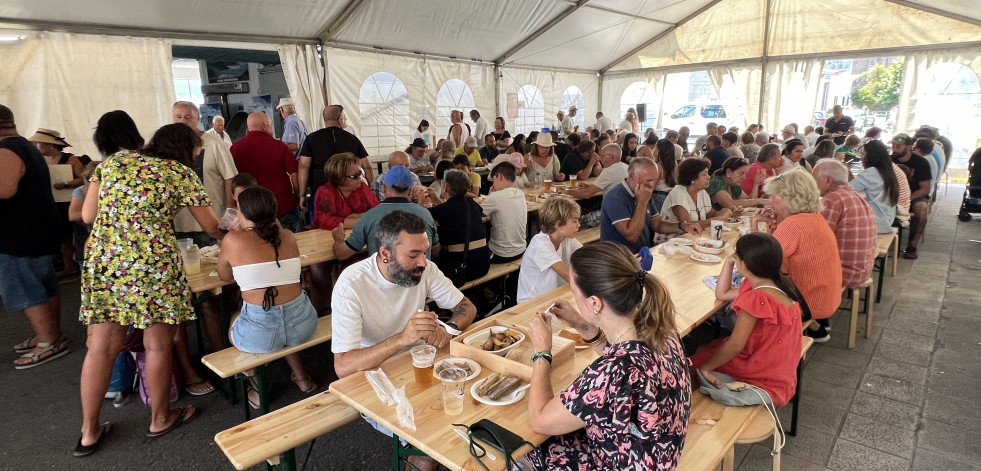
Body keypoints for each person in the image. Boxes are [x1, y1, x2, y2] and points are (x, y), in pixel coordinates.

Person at [77, 121, 223, 455]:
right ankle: (160, 418)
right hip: (154, 265)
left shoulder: (113, 162)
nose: (196, 160)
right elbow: (212, 227)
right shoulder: (180, 174)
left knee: (100, 348)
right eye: (196, 154)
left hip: (106, 261)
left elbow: (87, 214)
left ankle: (88, 431)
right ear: (187, 150)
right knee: (157, 345)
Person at [523, 241, 691, 470]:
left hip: (619, 461)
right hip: (656, 453)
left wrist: (542, 351)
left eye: (574, 292)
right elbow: (627, 369)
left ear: (595, 302)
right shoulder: (662, 329)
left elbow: (540, 419)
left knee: (527, 443)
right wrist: (584, 325)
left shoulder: (614, 370)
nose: (574, 296)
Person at [331, 210, 476, 471]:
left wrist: (449, 328)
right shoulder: (351, 284)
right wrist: (402, 339)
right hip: (374, 379)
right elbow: (342, 367)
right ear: (385, 253)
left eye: (426, 251)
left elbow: (467, 307)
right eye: (413, 255)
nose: (424, 262)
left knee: (472, 404)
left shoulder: (426, 269)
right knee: (432, 444)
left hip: (420, 365)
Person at [218, 187, 318, 408]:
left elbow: (224, 276)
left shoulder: (233, 240)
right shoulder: (288, 235)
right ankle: (302, 378)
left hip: (261, 337)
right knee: (284, 314)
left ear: (242, 213)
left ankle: (255, 386)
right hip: (304, 326)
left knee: (234, 320)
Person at [691, 233, 803, 407]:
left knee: (691, 366)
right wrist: (729, 262)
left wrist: (705, 368)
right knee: (705, 347)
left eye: (736, 258)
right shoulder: (776, 285)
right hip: (777, 365)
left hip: (758, 368)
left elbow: (735, 345)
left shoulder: (756, 297)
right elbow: (722, 293)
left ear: (744, 264)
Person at [0, 104, 69, 370]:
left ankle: (48, 341)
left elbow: (5, 189)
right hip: (37, 227)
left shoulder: (6, 149)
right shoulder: (25, 146)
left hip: (18, 233)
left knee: (25, 285)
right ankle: (51, 334)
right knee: (44, 283)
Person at [751, 171, 841, 342]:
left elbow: (758, 262)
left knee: (744, 294)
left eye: (774, 196)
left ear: (790, 197)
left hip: (807, 304)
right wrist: (773, 223)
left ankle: (751, 343)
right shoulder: (813, 218)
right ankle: (815, 328)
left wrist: (754, 224)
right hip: (825, 297)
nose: (769, 200)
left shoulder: (795, 224)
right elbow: (776, 249)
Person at [332, 166, 438, 261]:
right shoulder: (425, 214)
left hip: (382, 281)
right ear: (410, 191)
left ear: (384, 189)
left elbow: (342, 254)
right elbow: (435, 250)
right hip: (420, 280)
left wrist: (339, 239)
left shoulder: (370, 216)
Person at [171, 101, 238, 247]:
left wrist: (229, 211)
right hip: (179, 224)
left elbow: (230, 177)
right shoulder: (168, 147)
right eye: (178, 117)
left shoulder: (215, 144)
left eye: (188, 117)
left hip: (212, 221)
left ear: (198, 118)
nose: (183, 121)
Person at [601, 157, 700, 252]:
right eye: (648, 181)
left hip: (640, 254)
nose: (652, 185)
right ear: (632, 176)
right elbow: (631, 236)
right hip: (619, 259)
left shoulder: (643, 192)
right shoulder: (616, 197)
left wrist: (682, 226)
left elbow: (657, 225)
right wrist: (642, 203)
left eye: (655, 180)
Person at [230, 113, 302, 232]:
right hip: (281, 206)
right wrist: (298, 196)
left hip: (251, 212)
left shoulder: (235, 148)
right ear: (265, 125)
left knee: (259, 247)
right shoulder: (279, 146)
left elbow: (231, 178)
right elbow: (295, 174)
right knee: (294, 242)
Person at [29, 128, 85, 277]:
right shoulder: (38, 160)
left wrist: (67, 183)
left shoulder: (69, 158)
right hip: (50, 201)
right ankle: (69, 265)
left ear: (50, 144)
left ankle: (76, 263)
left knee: (73, 234)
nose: (35, 145)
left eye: (38, 143)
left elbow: (83, 178)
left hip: (68, 201)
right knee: (60, 236)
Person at [813, 159, 877, 291]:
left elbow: (817, 239)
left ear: (828, 180)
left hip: (844, 273)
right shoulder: (854, 195)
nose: (812, 184)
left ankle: (802, 310)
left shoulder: (833, 199)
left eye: (814, 179)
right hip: (862, 269)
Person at [298, 105, 371, 215]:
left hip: (321, 192)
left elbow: (303, 166)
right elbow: (367, 166)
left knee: (322, 227)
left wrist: (302, 195)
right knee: (350, 227)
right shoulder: (352, 139)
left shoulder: (311, 138)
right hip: (349, 194)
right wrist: (368, 189)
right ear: (340, 119)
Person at [428, 170, 490, 282]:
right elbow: (455, 211)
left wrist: (421, 200)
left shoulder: (443, 210)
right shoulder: (474, 205)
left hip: (462, 268)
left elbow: (423, 215)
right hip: (483, 263)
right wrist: (437, 201)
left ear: (445, 187)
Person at [517, 197, 583, 303]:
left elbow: (588, 258)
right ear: (559, 225)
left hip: (552, 298)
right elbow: (568, 276)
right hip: (531, 304)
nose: (579, 225)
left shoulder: (566, 239)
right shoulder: (541, 244)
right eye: (575, 221)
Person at [660, 158, 733, 239]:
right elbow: (689, 225)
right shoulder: (679, 193)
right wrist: (719, 219)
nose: (709, 177)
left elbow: (710, 214)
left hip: (694, 237)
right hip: (672, 241)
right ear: (692, 178)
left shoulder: (701, 192)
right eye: (704, 174)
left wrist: (726, 212)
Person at [313, 152, 380, 230]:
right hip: (326, 236)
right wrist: (364, 219)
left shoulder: (362, 186)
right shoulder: (325, 192)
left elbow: (378, 211)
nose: (360, 178)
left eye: (360, 173)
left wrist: (357, 217)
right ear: (339, 177)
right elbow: (326, 222)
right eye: (355, 176)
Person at [890, 133, 931, 259]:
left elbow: (925, 189)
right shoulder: (889, 160)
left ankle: (912, 246)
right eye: (893, 145)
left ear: (909, 147)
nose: (894, 149)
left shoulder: (921, 163)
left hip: (914, 196)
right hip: (891, 195)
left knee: (922, 208)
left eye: (898, 146)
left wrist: (906, 198)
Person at [481, 161, 528, 263]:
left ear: (500, 177)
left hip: (501, 254)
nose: (493, 184)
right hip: (521, 250)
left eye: (494, 180)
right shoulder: (520, 194)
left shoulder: (495, 197)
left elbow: (479, 213)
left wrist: (490, 196)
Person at [851, 140, 900, 234]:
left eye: (864, 154)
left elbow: (848, 189)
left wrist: (845, 171)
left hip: (875, 224)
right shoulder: (887, 172)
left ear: (871, 157)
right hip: (887, 220)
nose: (862, 158)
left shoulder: (871, 172)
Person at [559, 143, 627, 199]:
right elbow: (611, 186)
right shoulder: (627, 168)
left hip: (612, 212)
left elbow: (587, 194)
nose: (600, 158)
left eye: (602, 156)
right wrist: (589, 186)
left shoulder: (609, 171)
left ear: (610, 157)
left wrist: (566, 191)